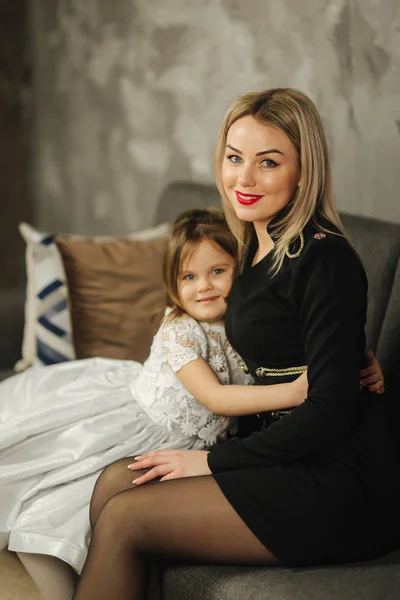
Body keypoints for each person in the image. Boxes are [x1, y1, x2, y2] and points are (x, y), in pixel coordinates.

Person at [72, 88, 399, 600]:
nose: (243, 179)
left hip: (335, 477)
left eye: (267, 162)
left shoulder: (324, 258)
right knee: (118, 480)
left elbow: (330, 410)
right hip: (279, 451)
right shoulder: (249, 243)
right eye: (233, 158)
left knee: (126, 518)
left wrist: (210, 461)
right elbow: (277, 339)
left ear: (303, 170)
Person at [1, 206, 366, 574]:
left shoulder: (249, 320)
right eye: (189, 276)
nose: (203, 286)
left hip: (210, 444)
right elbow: (215, 397)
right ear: (172, 283)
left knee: (117, 508)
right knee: (74, 485)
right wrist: (296, 392)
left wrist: (359, 358)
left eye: (218, 271)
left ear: (241, 271)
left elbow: (309, 339)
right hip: (148, 423)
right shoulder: (179, 330)